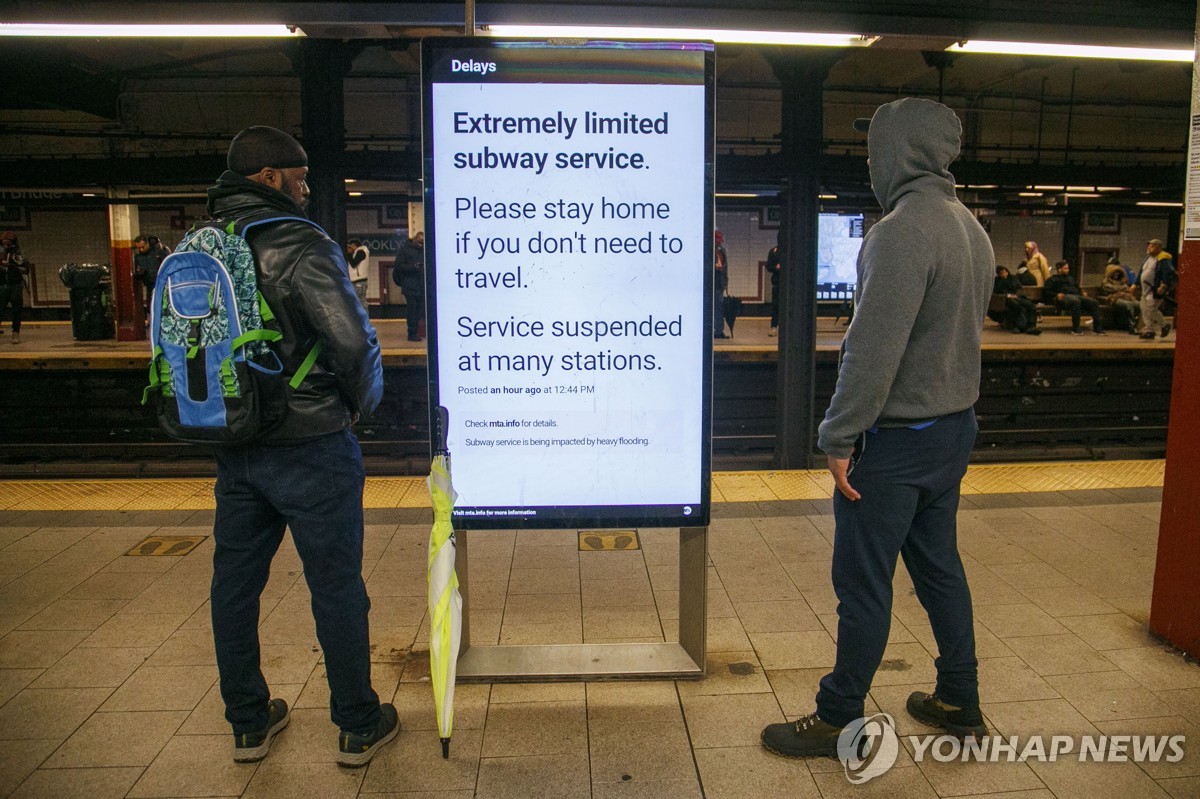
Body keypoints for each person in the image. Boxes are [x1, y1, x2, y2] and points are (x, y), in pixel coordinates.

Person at [760, 98, 993, 759]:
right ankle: (958, 697)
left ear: (902, 151)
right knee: (940, 569)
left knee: (862, 582)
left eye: (877, 147)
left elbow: (872, 349)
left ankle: (837, 716)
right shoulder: (969, 228)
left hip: (895, 444)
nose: (871, 159)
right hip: (952, 432)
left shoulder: (900, 231)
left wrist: (838, 436)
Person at [204, 125, 396, 767]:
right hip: (311, 442)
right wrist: (360, 408)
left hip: (235, 442)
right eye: (301, 174)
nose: (308, 186)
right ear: (268, 177)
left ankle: (248, 723)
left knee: (234, 585)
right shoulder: (298, 242)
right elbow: (351, 339)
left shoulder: (205, 243)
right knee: (336, 584)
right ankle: (357, 722)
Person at [1044, 260, 1104, 335]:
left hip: (1075, 295)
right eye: (1065, 268)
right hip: (1063, 297)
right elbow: (1047, 292)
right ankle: (1076, 328)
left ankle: (1097, 328)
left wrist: (1082, 292)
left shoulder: (1071, 278)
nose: (1067, 270)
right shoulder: (1052, 279)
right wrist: (1056, 295)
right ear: (1059, 269)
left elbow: (1077, 288)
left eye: (1068, 268)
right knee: (1075, 302)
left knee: (1094, 302)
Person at [1139, 238, 1176, 340]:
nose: (1149, 247)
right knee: (1144, 309)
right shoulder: (1147, 258)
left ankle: (1164, 325)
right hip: (1144, 290)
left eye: (1152, 245)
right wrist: (1135, 284)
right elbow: (1141, 272)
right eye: (1149, 245)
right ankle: (1149, 330)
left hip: (1154, 289)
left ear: (1158, 247)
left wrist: (1163, 285)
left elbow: (1168, 273)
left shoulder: (1163, 258)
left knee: (1151, 309)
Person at [392, 230, 425, 341]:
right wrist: (413, 267)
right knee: (412, 309)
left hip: (420, 285)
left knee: (419, 310)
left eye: (423, 243)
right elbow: (399, 266)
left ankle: (415, 332)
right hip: (409, 284)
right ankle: (411, 333)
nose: (421, 245)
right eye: (420, 243)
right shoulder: (404, 250)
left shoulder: (424, 250)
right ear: (415, 240)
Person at [991, 265, 1041, 335]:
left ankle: (1031, 325)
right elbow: (996, 293)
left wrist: (1016, 295)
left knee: (1030, 305)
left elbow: (1019, 288)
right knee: (1016, 306)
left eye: (1005, 271)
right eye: (1001, 272)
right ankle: (1019, 326)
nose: (1004, 273)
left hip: (1017, 297)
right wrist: (1007, 296)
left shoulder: (1013, 278)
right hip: (1005, 299)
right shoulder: (997, 281)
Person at [0, 231, 28, 345]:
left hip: (15, 285)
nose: (5, 246)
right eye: (3, 244)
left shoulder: (17, 254)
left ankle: (15, 332)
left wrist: (13, 265)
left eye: (8, 244)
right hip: (1, 285)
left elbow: (25, 269)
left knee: (16, 310)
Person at [1097, 263, 1140, 334]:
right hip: (1114, 299)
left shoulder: (1123, 282)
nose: (1116, 275)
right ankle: (1131, 327)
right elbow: (1113, 289)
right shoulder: (1106, 282)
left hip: (1127, 297)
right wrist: (1122, 289)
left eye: (1117, 273)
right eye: (1114, 273)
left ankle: (1139, 326)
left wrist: (1123, 290)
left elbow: (1127, 289)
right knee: (1128, 305)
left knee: (1140, 305)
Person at [133, 234, 168, 315]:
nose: (141, 249)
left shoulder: (158, 252)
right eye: (138, 248)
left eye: (142, 247)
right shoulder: (138, 257)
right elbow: (137, 275)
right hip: (150, 286)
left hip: (162, 285)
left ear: (147, 244)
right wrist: (139, 273)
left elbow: (167, 264)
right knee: (150, 308)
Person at [346, 238, 371, 310]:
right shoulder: (361, 252)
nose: (349, 248)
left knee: (361, 302)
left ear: (354, 245)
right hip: (358, 281)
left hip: (359, 281)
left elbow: (353, 263)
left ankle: (365, 320)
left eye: (350, 247)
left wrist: (349, 254)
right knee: (359, 302)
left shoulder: (361, 252)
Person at [764, 235, 782, 336]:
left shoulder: (790, 252)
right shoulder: (774, 251)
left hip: (788, 285)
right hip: (777, 283)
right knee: (776, 306)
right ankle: (774, 326)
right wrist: (776, 268)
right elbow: (768, 267)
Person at [714, 229, 728, 338]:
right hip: (712, 284)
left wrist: (725, 281)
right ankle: (715, 329)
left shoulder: (721, 250)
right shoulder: (708, 250)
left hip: (720, 283)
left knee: (719, 308)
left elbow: (725, 267)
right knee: (713, 308)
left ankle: (719, 330)